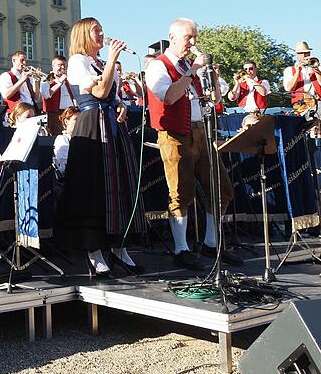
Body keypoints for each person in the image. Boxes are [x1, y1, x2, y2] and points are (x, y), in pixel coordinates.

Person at [145, 18, 242, 270]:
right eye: (189, 37)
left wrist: (212, 77)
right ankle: (181, 249)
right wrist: (191, 72)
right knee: (181, 191)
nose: (193, 43)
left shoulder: (190, 66)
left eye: (195, 37)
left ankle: (211, 243)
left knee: (221, 188)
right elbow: (168, 96)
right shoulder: (158, 66)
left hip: (200, 130)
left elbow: (214, 100)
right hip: (174, 133)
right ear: (173, 37)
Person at [54, 17, 145, 276]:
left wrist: (122, 107)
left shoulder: (104, 64)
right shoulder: (77, 62)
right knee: (93, 185)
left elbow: (113, 97)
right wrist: (113, 61)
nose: (102, 34)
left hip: (112, 126)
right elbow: (99, 92)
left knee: (118, 184)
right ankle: (94, 250)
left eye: (102, 29)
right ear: (84, 34)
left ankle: (119, 246)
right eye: (97, 30)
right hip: (92, 125)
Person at [41, 55, 77, 136]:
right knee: (57, 136)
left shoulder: (68, 79)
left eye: (64, 65)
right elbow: (47, 95)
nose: (63, 67)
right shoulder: (48, 78)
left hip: (70, 112)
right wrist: (60, 82)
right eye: (59, 65)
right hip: (56, 113)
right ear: (53, 66)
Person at [283, 41, 321, 107]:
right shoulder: (289, 70)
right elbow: (288, 89)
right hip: (299, 104)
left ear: (309, 53)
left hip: (317, 103)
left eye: (306, 53)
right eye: (300, 53)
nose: (303, 56)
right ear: (296, 55)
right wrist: (297, 72)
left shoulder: (317, 67)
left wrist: (316, 70)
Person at [53, 107, 80, 176]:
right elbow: (65, 164)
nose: (79, 122)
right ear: (66, 121)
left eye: (81, 120)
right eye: (76, 119)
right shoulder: (62, 139)